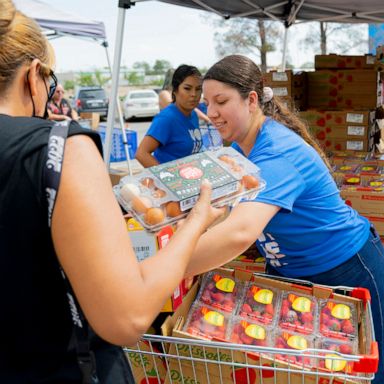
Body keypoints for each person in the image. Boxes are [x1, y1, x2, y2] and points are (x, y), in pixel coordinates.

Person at [0, 2, 224, 383]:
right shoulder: (59, 149)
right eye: (51, 84)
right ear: (33, 75)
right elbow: (127, 318)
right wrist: (197, 222)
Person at [184, 54, 384, 382]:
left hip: (348, 270)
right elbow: (222, 215)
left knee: (364, 373)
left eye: (221, 101)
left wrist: (168, 270)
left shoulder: (277, 152)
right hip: (294, 275)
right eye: (207, 102)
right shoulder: (239, 151)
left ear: (251, 100)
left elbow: (240, 232)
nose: (211, 112)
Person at [135, 64, 205, 167]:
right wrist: (165, 178)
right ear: (175, 90)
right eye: (187, 88)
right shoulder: (167, 118)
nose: (194, 94)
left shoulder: (193, 115)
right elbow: (141, 154)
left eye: (198, 89)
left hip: (191, 179)